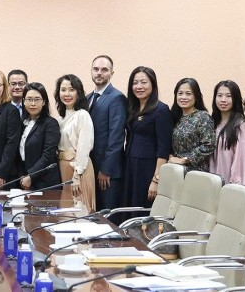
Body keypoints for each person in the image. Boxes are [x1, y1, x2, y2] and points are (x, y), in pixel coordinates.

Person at [123, 66, 172, 211]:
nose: (139, 86)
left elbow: (164, 148)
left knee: (143, 209)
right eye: (135, 83)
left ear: (153, 84)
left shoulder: (161, 110)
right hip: (130, 165)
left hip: (148, 168)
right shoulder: (132, 108)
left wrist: (156, 180)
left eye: (144, 82)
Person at [86, 55, 127, 211]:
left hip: (108, 173)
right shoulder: (88, 98)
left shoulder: (117, 98)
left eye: (104, 70)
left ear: (112, 73)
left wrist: (106, 169)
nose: (99, 73)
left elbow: (116, 137)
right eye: (96, 69)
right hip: (91, 169)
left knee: (108, 215)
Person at [54, 74, 95, 210]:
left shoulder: (82, 115)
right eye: (63, 90)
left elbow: (84, 147)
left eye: (71, 90)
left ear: (79, 92)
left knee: (79, 210)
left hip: (78, 169)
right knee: (65, 209)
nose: (67, 94)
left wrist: (77, 175)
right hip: (63, 167)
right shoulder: (60, 118)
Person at [18, 82, 61, 190]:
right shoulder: (22, 123)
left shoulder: (50, 124)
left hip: (45, 182)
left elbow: (48, 155)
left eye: (37, 99)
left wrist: (31, 176)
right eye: (29, 99)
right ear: (24, 101)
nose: (33, 103)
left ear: (44, 102)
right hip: (25, 180)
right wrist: (22, 175)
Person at [167, 78, 215, 172]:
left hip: (195, 172)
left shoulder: (203, 117)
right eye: (180, 93)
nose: (183, 97)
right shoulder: (174, 117)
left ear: (196, 96)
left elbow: (208, 145)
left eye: (188, 94)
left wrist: (185, 159)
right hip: (175, 170)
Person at [210, 80, 245, 184]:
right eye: (219, 95)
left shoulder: (239, 124)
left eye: (228, 96)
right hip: (213, 180)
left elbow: (241, 159)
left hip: (230, 183)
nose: (223, 100)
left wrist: (235, 183)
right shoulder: (214, 122)